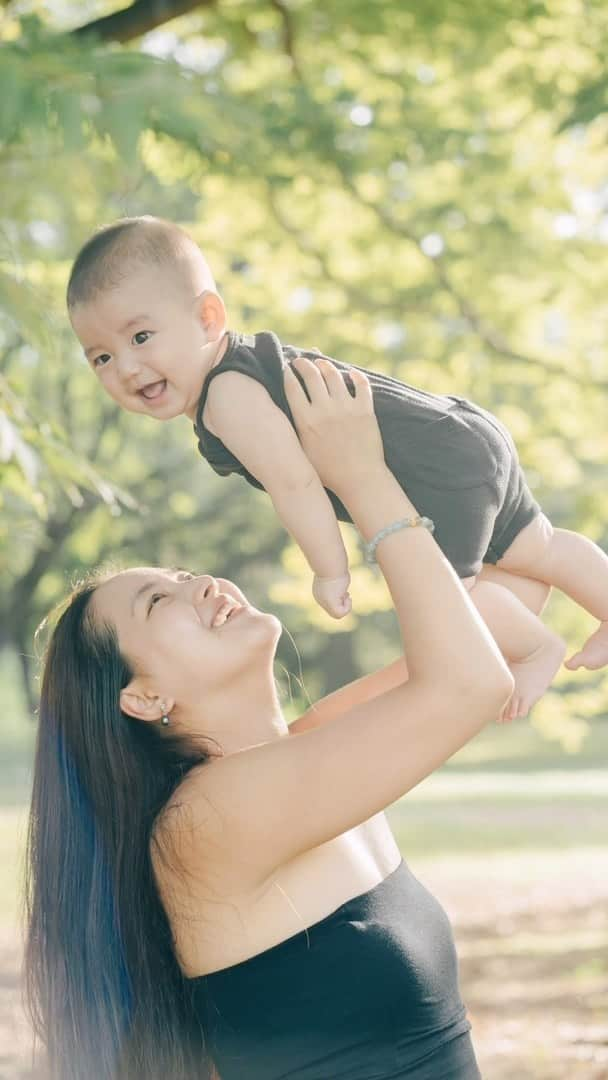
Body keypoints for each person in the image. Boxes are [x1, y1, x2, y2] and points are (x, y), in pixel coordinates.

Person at [24, 356, 513, 1080]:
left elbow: (497, 619)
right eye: (160, 602)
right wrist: (359, 474)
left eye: (184, 575)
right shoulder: (204, 823)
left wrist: (434, 447)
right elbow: (471, 682)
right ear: (143, 698)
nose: (201, 587)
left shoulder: (303, 754)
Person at [68, 218, 608, 721]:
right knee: (539, 547)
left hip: (438, 467)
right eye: (102, 357)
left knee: (445, 596)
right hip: (463, 435)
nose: (128, 368)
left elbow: (295, 482)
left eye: (140, 338)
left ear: (208, 317)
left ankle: (537, 648)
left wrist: (329, 569)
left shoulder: (225, 395)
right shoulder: (243, 370)